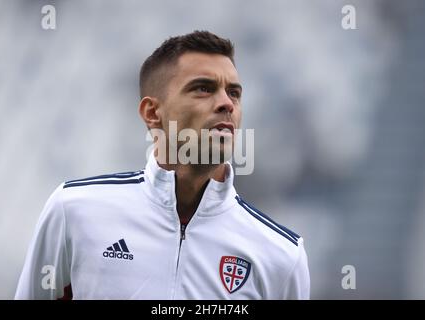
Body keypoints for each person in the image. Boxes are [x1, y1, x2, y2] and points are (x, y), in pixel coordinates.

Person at [15, 30, 310, 299]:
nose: (226, 104)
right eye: (203, 88)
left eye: (234, 92)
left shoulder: (281, 255)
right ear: (152, 112)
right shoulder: (73, 211)